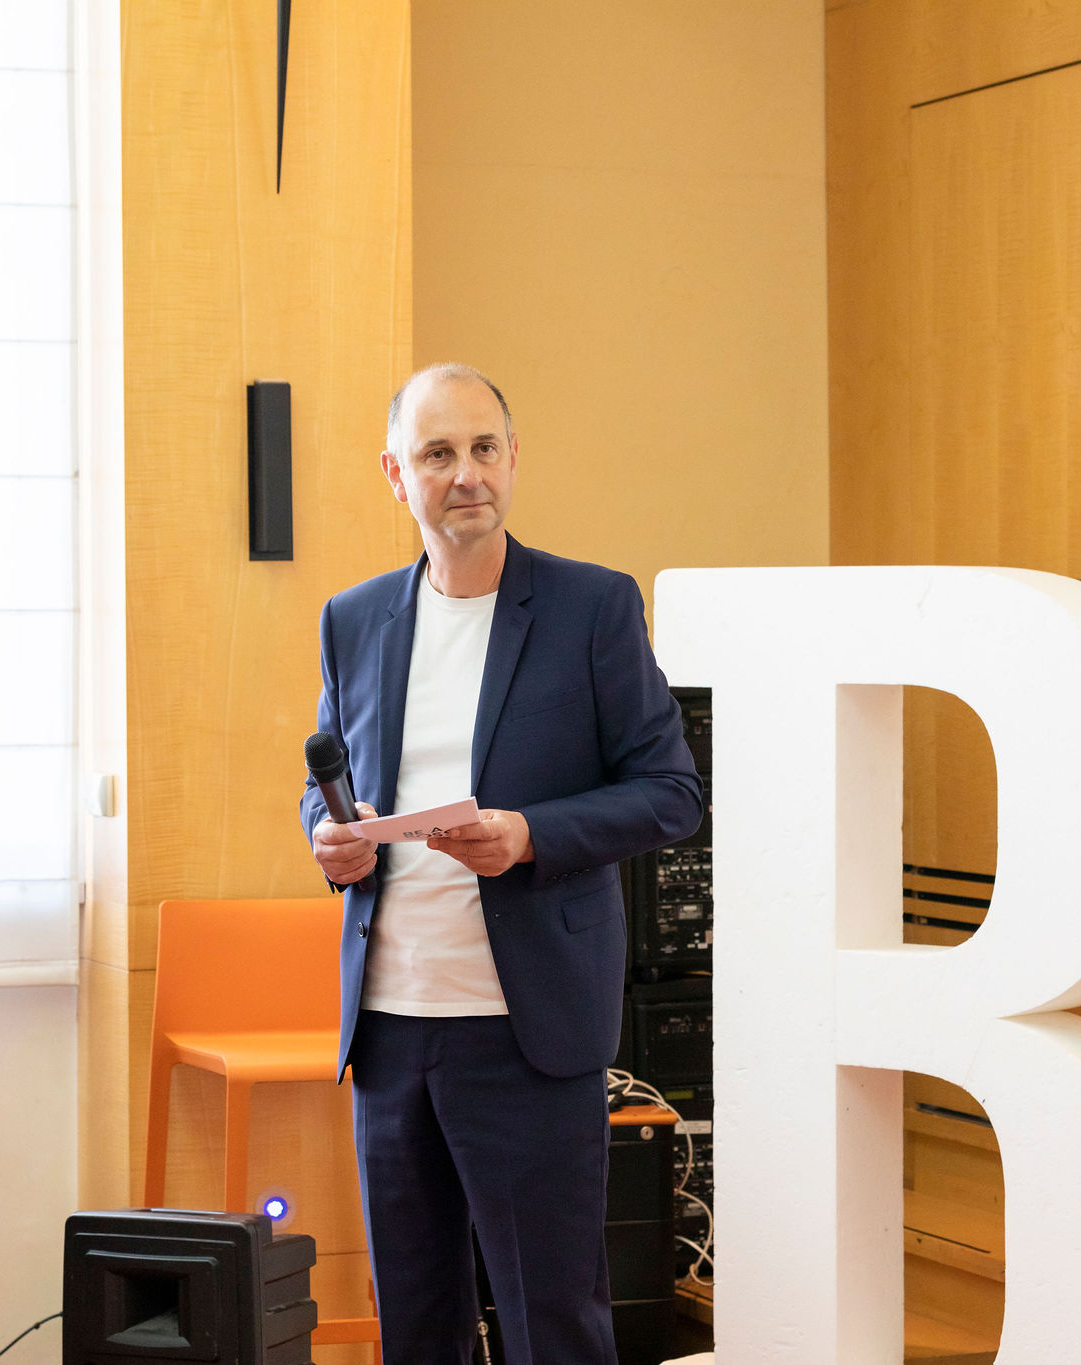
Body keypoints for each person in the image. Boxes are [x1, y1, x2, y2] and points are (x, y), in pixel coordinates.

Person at [300, 363, 703, 1365]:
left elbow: (671, 792)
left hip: (525, 1029)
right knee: (416, 1325)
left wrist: (528, 834)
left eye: (484, 448)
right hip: (389, 1028)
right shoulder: (353, 618)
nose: (466, 473)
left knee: (550, 1322)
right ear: (396, 474)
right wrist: (329, 835)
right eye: (437, 453)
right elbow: (324, 778)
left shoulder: (591, 607)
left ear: (513, 458)